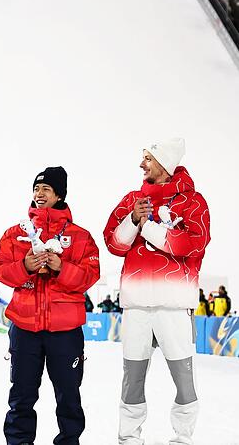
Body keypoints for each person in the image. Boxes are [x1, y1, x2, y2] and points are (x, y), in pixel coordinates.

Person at [103, 138, 210, 444]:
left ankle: (182, 438)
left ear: (166, 163)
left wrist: (148, 226)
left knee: (183, 380)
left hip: (173, 306)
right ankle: (129, 438)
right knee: (132, 380)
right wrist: (133, 218)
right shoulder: (132, 200)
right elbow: (114, 244)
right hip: (137, 306)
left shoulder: (193, 202)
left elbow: (191, 245)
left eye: (148, 158)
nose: (142, 164)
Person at [0, 167, 100, 445]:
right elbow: (0, 270)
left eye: (46, 190)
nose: (39, 194)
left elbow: (90, 276)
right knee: (21, 396)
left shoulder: (81, 237)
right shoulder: (15, 234)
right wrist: (25, 266)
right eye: (36, 189)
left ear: (59, 195)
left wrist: (62, 267)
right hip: (25, 327)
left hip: (65, 332)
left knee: (69, 396)